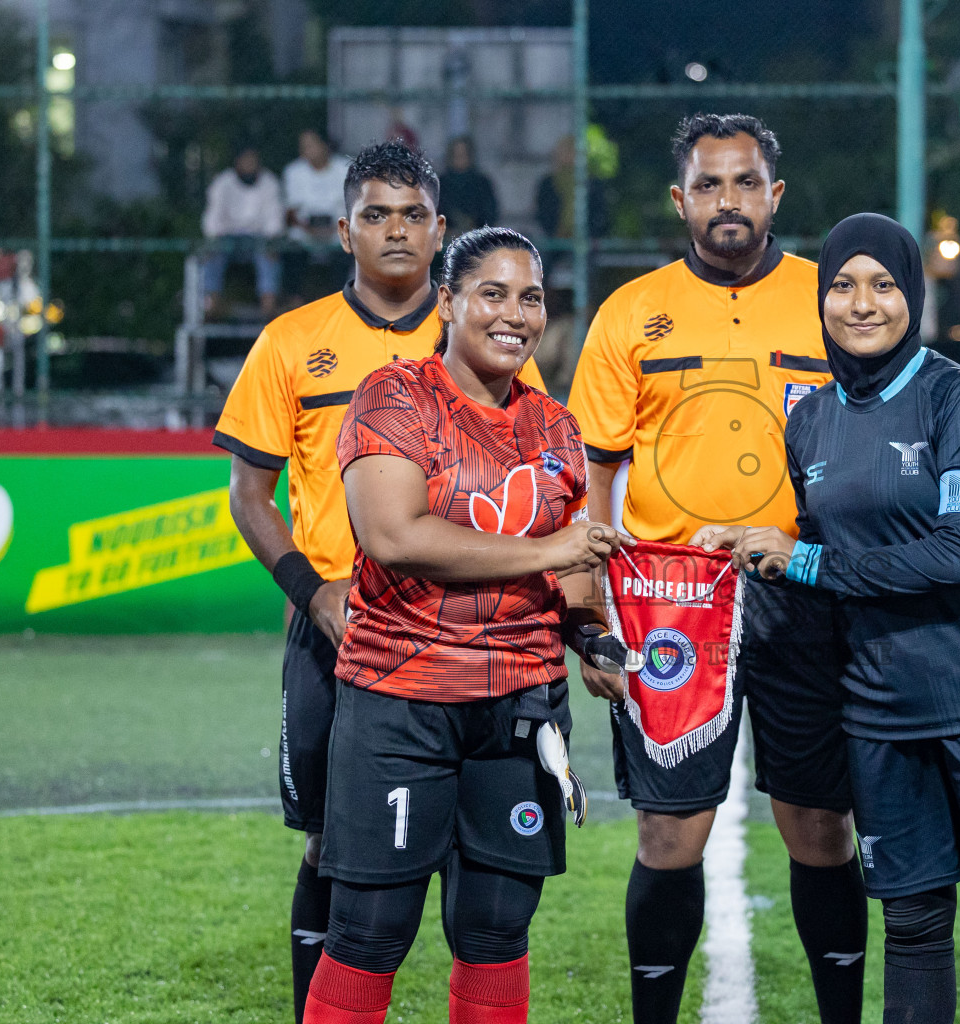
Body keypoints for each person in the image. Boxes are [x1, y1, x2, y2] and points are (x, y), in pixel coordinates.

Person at [699, 213, 960, 1024]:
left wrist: (802, 559)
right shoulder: (807, 419)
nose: (862, 303)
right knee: (913, 927)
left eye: (882, 284)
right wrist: (741, 551)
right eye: (843, 285)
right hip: (880, 713)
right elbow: (823, 552)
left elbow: (957, 554)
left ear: (911, 293)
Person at [214, 140, 544, 1023]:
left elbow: (536, 476)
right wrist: (312, 593)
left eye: (412, 214)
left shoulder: (489, 329)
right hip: (338, 626)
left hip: (467, 637)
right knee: (334, 848)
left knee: (477, 874)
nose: (395, 230)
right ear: (343, 228)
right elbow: (249, 493)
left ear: (442, 229)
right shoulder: (293, 341)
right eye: (375, 214)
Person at [566, 113, 865, 1024]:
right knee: (668, 834)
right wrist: (590, 617)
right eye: (708, 184)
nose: (727, 201)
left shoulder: (834, 301)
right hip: (668, 610)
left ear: (776, 195)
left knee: (819, 829)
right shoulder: (630, 313)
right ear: (680, 199)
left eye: (745, 184)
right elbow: (591, 477)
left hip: (805, 596)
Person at [303, 226, 616, 1024]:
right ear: (448, 302)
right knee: (371, 931)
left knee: (497, 929)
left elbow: (577, 566)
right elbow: (394, 536)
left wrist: (594, 637)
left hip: (521, 708)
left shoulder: (554, 426)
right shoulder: (394, 396)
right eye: (493, 293)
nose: (516, 314)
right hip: (400, 699)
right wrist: (547, 549)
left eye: (532, 297)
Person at [201, 145, 284, 318]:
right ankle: (212, 303)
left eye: (253, 161)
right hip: (227, 239)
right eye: (246, 161)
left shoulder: (269, 182)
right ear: (237, 162)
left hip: (258, 239)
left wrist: (270, 240)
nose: (250, 165)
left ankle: (268, 305)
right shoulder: (222, 183)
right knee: (212, 251)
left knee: (268, 252)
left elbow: (274, 218)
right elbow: (212, 218)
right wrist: (214, 238)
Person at [282, 129, 353, 304]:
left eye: (311, 145)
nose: (307, 150)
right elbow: (290, 212)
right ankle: (295, 302)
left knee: (349, 252)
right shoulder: (294, 171)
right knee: (291, 252)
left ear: (325, 146)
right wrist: (309, 229)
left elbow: (355, 207)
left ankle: (343, 302)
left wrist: (333, 228)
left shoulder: (345, 168)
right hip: (305, 233)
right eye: (303, 146)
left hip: (338, 232)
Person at [440, 137, 501, 234]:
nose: (460, 158)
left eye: (463, 155)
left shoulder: (482, 183)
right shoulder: (440, 184)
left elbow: (490, 213)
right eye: (456, 155)